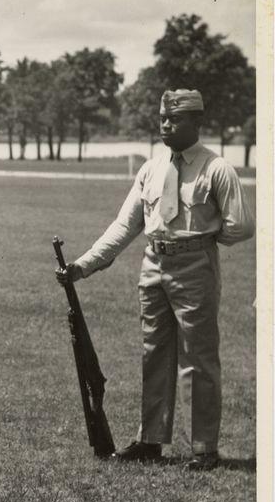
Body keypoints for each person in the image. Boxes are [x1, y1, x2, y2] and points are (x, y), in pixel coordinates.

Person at [56, 88, 254, 471]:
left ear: (197, 122)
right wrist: (84, 265)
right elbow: (125, 225)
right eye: (163, 118)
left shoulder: (216, 169)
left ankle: (203, 448)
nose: (166, 124)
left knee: (198, 358)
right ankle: (151, 440)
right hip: (153, 265)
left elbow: (240, 226)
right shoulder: (150, 168)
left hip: (195, 267)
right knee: (154, 354)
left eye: (175, 119)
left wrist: (204, 240)